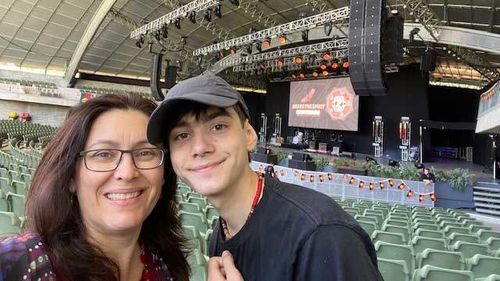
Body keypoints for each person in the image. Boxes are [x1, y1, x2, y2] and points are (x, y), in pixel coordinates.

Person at [147, 75, 384, 281]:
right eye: (182, 135)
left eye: (218, 126)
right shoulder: (221, 231)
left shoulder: (323, 236)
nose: (199, 147)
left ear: (249, 135)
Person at [0, 94, 190, 281]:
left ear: (164, 174)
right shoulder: (18, 263)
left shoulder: (169, 265)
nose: (127, 172)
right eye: (104, 154)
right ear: (71, 177)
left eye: (145, 153)